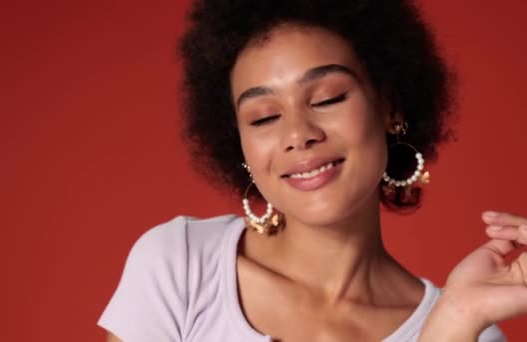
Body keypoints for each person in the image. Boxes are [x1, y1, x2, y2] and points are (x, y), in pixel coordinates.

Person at [98, 0, 527, 340]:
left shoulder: (469, 330)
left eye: (327, 98)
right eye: (264, 117)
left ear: (389, 105)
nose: (298, 134)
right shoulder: (183, 265)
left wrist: (452, 323)